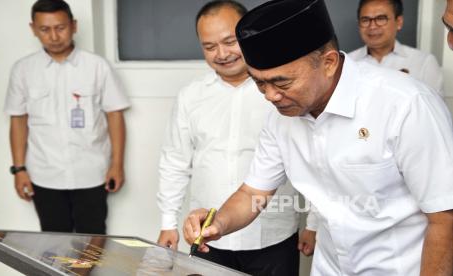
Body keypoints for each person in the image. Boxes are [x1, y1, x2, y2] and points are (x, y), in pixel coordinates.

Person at [183, 0, 453, 275]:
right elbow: (253, 192)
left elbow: (445, 217)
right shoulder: (280, 116)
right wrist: (219, 223)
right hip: (330, 267)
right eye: (259, 83)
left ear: (328, 63)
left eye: (282, 82)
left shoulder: (406, 104)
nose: (270, 96)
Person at [156, 1, 316, 274]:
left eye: (229, 41)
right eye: (209, 46)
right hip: (208, 237)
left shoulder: (285, 91)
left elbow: (312, 159)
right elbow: (175, 161)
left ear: (247, 36)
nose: (222, 53)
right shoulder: (191, 96)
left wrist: (313, 224)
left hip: (273, 234)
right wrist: (167, 222)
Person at [4, 0, 130, 234]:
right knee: (52, 245)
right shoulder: (23, 70)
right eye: (45, 29)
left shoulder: (97, 66)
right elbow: (18, 120)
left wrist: (117, 165)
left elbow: (115, 115)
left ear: (74, 25)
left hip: (92, 172)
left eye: (60, 27)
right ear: (33, 29)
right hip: (44, 175)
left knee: (92, 244)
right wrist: (19, 169)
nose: (53, 36)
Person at [349, 0, 444, 96]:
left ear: (399, 22)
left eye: (381, 19)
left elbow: (433, 108)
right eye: (365, 20)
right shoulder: (348, 63)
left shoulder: (423, 62)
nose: (372, 26)